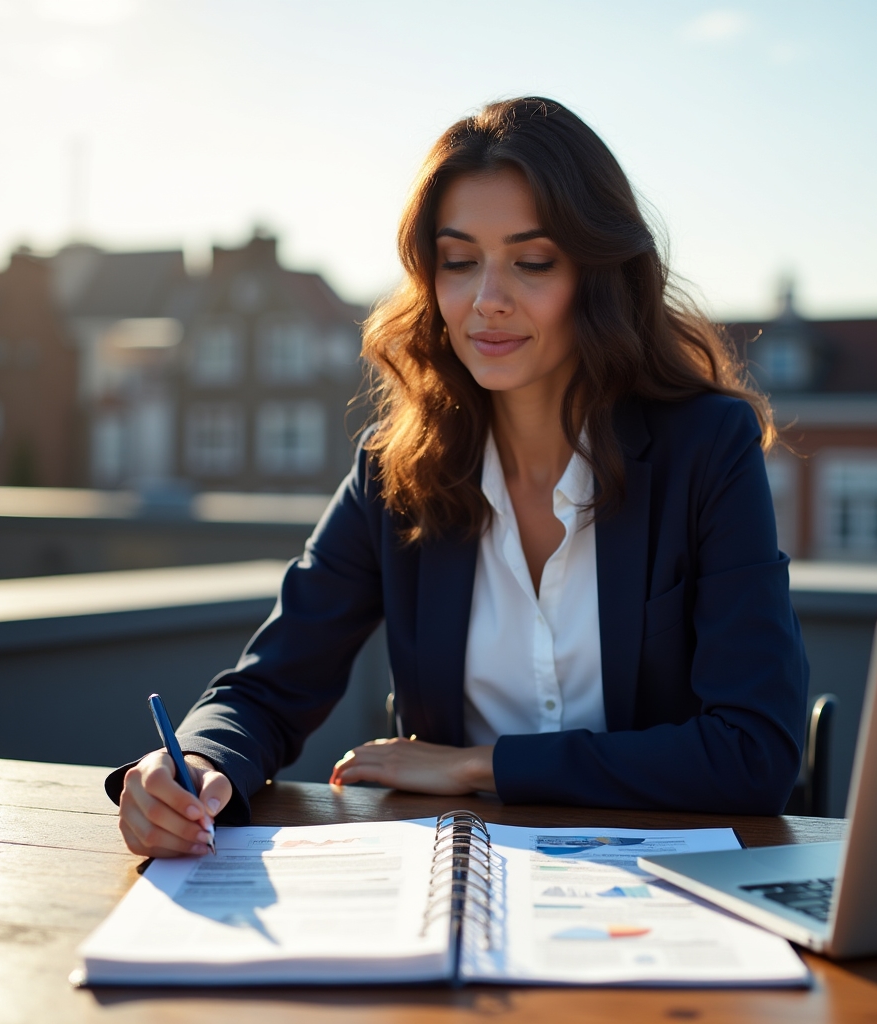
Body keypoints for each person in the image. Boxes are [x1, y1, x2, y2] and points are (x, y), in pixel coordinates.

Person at [109, 97, 808, 859]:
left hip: (670, 898)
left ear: (598, 275)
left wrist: (482, 766)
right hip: (460, 890)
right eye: (460, 260)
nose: (487, 301)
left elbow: (754, 754)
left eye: (532, 262)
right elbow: (268, 686)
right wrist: (196, 763)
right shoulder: (394, 469)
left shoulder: (705, 448)